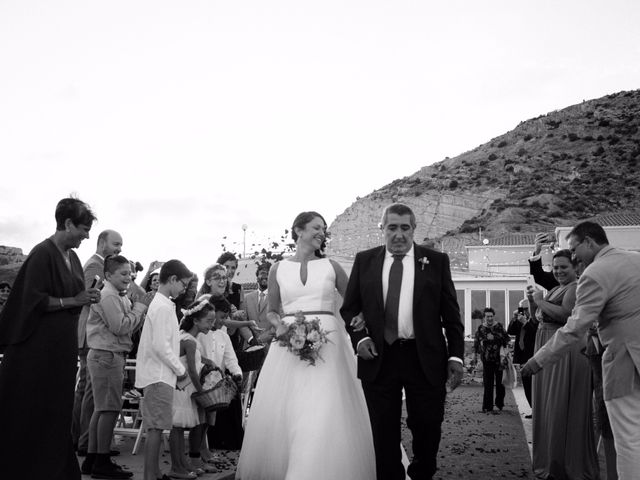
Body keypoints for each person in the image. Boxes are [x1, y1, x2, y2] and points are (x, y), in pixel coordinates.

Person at [236, 211, 376, 480]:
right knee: (289, 406)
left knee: (324, 404)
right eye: (316, 228)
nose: (321, 233)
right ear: (298, 230)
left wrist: (360, 316)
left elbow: (354, 301)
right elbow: (273, 310)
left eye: (323, 229)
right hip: (287, 344)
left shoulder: (331, 266)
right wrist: (281, 327)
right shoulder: (278, 268)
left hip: (329, 343)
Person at [340, 203, 465, 480]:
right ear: (382, 229)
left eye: (405, 228)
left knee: (428, 426)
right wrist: (360, 339)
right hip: (379, 357)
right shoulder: (365, 261)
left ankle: (422, 474)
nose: (399, 234)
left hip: (425, 358)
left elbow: (452, 315)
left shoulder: (436, 262)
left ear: (414, 230)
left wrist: (456, 356)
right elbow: (349, 308)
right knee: (383, 432)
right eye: (392, 227)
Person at [523, 222, 640, 479]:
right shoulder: (635, 259)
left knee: (628, 438)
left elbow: (575, 326)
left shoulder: (594, 273)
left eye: (575, 250)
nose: (574, 256)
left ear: (589, 242)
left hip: (624, 361)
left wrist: (538, 360)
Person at [0, 197, 100, 479]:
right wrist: (74, 300)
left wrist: (85, 297)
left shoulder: (73, 257)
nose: (86, 235)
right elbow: (33, 301)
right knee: (33, 412)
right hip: (37, 351)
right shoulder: (42, 254)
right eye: (83, 228)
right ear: (67, 223)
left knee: (56, 413)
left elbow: (73, 299)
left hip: (60, 350)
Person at [525, 248, 598, 479]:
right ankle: (550, 459)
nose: (558, 271)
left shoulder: (576, 287)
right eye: (555, 267)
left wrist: (539, 300)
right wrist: (532, 301)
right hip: (547, 345)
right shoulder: (555, 288)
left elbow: (566, 315)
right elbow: (537, 317)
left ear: (575, 267)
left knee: (560, 406)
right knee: (547, 406)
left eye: (563, 267)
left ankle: (564, 463)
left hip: (564, 352)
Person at [82, 255, 153, 479]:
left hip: (108, 355)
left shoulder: (117, 296)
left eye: (130, 274)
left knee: (101, 408)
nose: (128, 277)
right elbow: (120, 327)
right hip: (107, 355)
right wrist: (140, 308)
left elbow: (128, 326)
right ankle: (101, 461)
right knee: (110, 409)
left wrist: (137, 312)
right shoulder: (108, 296)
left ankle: (93, 459)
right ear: (108, 275)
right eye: (123, 273)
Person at [135, 260, 192, 480]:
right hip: (158, 375)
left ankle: (155, 472)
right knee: (156, 429)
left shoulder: (164, 304)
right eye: (183, 285)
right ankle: (151, 475)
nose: (184, 289)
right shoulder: (160, 306)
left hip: (161, 375)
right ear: (173, 279)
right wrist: (181, 370)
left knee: (157, 427)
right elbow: (161, 345)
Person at [73, 229, 123, 456]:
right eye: (116, 244)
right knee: (91, 393)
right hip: (93, 337)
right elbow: (91, 297)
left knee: (89, 391)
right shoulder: (95, 265)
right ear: (102, 243)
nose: (119, 248)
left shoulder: (99, 264)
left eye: (120, 245)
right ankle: (86, 442)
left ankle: (85, 441)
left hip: (93, 337)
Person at [170, 297, 219, 478]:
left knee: (182, 426)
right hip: (184, 390)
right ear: (196, 320)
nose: (211, 325)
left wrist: (207, 361)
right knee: (178, 427)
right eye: (208, 321)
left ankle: (183, 464)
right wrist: (202, 391)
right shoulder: (189, 341)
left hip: (185, 389)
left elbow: (195, 361)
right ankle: (177, 466)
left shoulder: (187, 338)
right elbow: (191, 369)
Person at [473, 307, 510, 413]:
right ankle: (487, 406)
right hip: (486, 359)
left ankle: (499, 404)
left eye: (491, 316)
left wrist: (494, 337)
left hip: (499, 360)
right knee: (488, 384)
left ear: (493, 316)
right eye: (487, 316)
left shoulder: (499, 326)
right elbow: (476, 343)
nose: (489, 318)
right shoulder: (481, 328)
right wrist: (476, 356)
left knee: (500, 384)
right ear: (484, 317)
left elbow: (507, 339)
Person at [506, 300, 537, 412]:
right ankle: (533, 409)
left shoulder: (536, 319)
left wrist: (526, 323)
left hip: (533, 355)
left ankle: (537, 410)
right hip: (522, 356)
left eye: (526, 309)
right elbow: (510, 331)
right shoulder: (520, 320)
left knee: (533, 385)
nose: (525, 312)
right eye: (522, 309)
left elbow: (535, 333)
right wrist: (514, 318)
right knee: (526, 385)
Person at [244, 262, 274, 345]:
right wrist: (251, 339)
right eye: (262, 273)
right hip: (251, 346)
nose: (265, 276)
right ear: (257, 277)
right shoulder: (247, 298)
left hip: (271, 345)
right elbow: (243, 322)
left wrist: (263, 338)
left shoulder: (278, 298)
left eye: (268, 273)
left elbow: (280, 322)